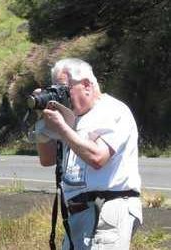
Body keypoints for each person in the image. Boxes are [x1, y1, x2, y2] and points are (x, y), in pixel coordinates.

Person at [35, 58, 142, 249]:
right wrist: (41, 120)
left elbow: (98, 157)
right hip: (77, 214)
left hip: (107, 208)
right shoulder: (71, 119)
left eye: (64, 90)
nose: (61, 97)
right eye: (55, 91)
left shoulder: (113, 110)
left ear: (86, 85)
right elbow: (47, 158)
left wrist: (61, 128)